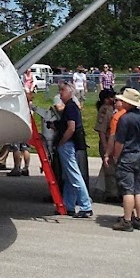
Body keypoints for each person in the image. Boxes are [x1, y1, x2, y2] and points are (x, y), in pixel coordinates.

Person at [107, 88, 140, 231]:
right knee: (139, 189)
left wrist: (115, 156)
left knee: (127, 190)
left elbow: (119, 141)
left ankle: (127, 220)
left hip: (127, 155)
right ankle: (139, 219)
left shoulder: (124, 119)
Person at [53, 82, 93, 218]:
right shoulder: (71, 107)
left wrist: (62, 141)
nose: (60, 93)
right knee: (69, 177)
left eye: (62, 90)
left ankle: (86, 206)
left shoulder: (70, 107)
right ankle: (68, 205)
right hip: (70, 144)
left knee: (74, 175)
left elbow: (71, 127)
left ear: (70, 92)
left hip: (67, 145)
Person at [93, 88, 118, 201]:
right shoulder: (104, 111)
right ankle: (111, 194)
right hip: (107, 142)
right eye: (111, 97)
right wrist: (105, 146)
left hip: (114, 142)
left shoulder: (113, 109)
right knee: (110, 170)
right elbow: (101, 131)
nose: (114, 99)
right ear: (106, 99)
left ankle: (103, 189)